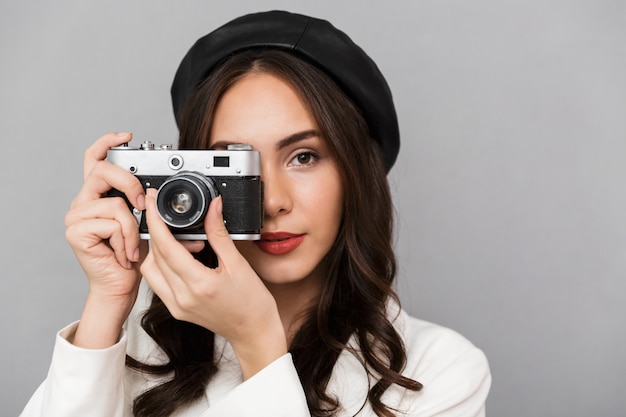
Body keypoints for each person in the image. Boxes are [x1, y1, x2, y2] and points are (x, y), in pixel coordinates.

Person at [20, 10, 491, 417]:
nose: (271, 201)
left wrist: (257, 343)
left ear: (356, 174)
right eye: (236, 166)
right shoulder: (133, 349)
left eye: (304, 156)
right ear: (193, 181)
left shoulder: (439, 370)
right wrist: (108, 300)